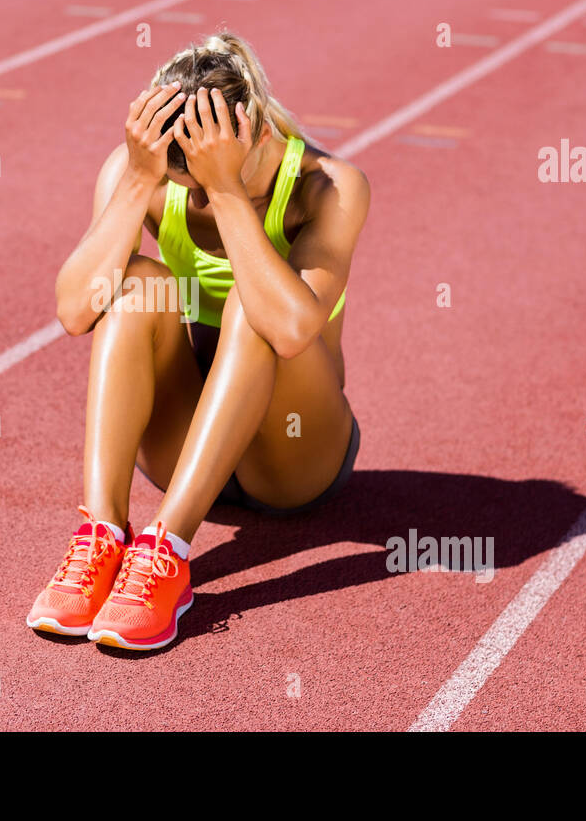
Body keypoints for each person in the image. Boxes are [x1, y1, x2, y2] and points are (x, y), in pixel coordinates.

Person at [28, 32, 370, 650]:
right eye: (187, 182)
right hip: (186, 445)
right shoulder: (149, 173)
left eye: (203, 177)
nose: (194, 195)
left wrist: (230, 194)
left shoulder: (329, 187)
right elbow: (76, 311)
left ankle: (167, 552)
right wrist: (137, 179)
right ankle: (102, 535)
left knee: (259, 301)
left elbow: (294, 330)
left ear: (258, 135)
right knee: (134, 285)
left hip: (294, 455)